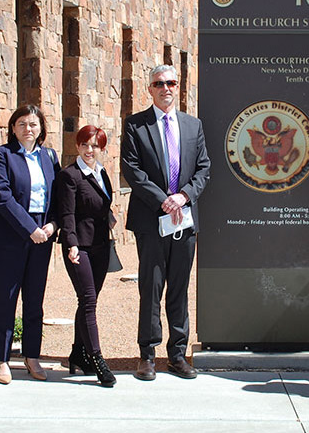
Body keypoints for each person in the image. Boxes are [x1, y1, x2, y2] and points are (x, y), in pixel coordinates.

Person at [121, 64, 211, 381]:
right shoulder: (136, 125)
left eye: (171, 82)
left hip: (184, 221)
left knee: (179, 289)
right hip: (151, 220)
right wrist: (163, 199)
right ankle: (147, 356)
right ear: (150, 89)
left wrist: (183, 197)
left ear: (178, 86)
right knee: (151, 287)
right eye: (159, 83)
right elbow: (132, 170)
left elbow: (203, 170)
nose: (165, 88)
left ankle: (177, 356)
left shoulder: (192, 126)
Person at [0, 104, 60, 384]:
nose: (28, 129)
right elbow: (2, 197)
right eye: (22, 124)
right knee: (6, 299)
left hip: (44, 234)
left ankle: (32, 356)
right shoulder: (2, 155)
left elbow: (58, 195)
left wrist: (53, 224)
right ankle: (2, 359)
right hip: (11, 235)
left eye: (33, 124)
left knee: (34, 300)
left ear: (41, 128)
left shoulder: (49, 157)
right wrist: (30, 229)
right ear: (13, 128)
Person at [57, 125, 116, 387]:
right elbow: (66, 213)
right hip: (78, 245)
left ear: (102, 148)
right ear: (77, 146)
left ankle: (77, 354)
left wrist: (110, 217)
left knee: (88, 301)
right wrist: (70, 243)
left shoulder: (101, 172)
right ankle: (97, 359)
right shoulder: (70, 175)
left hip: (101, 245)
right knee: (89, 300)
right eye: (84, 144)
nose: (89, 150)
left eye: (94, 145)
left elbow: (102, 203)